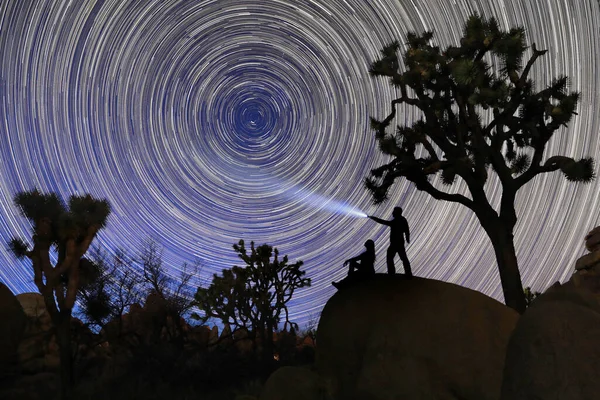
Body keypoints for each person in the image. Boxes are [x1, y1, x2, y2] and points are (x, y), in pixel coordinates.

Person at [369, 207, 412, 277]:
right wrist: (407, 237)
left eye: (394, 212)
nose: (392, 213)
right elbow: (406, 229)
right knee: (403, 258)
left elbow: (384, 222)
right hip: (400, 243)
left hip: (395, 243)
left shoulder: (396, 221)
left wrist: (373, 218)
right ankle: (408, 273)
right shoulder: (403, 220)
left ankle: (392, 273)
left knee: (391, 257)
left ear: (397, 212)